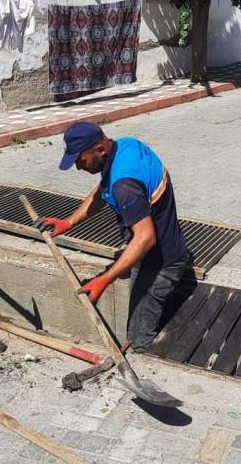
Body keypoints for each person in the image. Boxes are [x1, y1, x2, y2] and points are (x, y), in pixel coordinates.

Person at [36, 122, 192, 352]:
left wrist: (104, 279)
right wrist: (68, 222)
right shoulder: (125, 146)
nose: (78, 168)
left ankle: (144, 355)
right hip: (166, 243)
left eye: (81, 160)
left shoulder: (125, 185)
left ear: (99, 149)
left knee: (138, 334)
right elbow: (102, 190)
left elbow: (146, 237)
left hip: (161, 262)